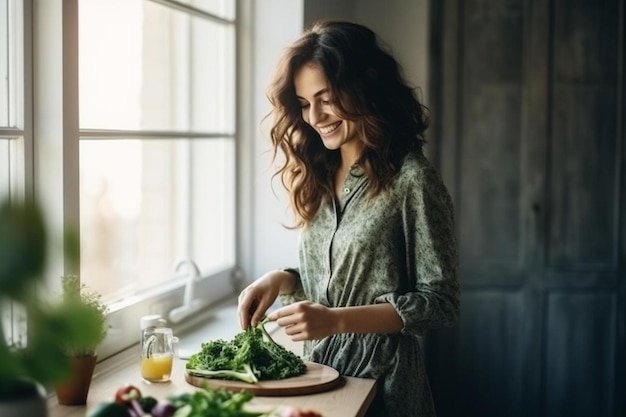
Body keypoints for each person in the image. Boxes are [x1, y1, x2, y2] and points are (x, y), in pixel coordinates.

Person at [237, 19, 460, 417]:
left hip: (384, 388)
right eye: (304, 104)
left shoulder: (412, 180)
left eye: (327, 97)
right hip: (317, 378)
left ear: (364, 88)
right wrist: (284, 279)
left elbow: (440, 303)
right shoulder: (316, 176)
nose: (315, 116)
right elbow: (343, 280)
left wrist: (335, 322)